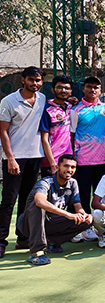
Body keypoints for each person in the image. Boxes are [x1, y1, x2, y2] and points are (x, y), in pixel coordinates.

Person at [0, 66, 46, 256]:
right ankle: (1, 241)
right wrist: (10, 158)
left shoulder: (42, 99)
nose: (35, 83)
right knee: (9, 200)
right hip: (14, 157)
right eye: (31, 79)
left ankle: (22, 238)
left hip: (35, 156)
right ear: (23, 79)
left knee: (27, 201)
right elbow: (3, 131)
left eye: (38, 80)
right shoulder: (8, 101)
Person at [19, 154, 92, 265]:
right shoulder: (45, 182)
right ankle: (36, 252)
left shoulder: (73, 183)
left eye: (73, 167)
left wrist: (85, 215)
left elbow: (78, 207)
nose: (69, 170)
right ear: (57, 167)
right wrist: (68, 214)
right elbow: (40, 201)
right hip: (28, 224)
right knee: (38, 205)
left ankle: (52, 241)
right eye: (66, 166)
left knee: (86, 221)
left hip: (53, 221)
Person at [70, 76, 105, 213]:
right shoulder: (76, 110)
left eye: (96, 87)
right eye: (89, 86)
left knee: (102, 194)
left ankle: (101, 221)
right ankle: (84, 222)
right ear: (83, 89)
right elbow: (72, 134)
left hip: (104, 159)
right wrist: (73, 156)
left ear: (100, 90)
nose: (92, 90)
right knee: (83, 193)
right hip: (83, 159)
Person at [39, 74, 73, 178]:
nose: (63, 91)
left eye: (66, 88)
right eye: (59, 87)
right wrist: (52, 163)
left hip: (68, 160)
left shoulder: (71, 107)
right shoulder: (47, 110)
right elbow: (44, 139)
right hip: (51, 162)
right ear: (53, 90)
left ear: (71, 91)